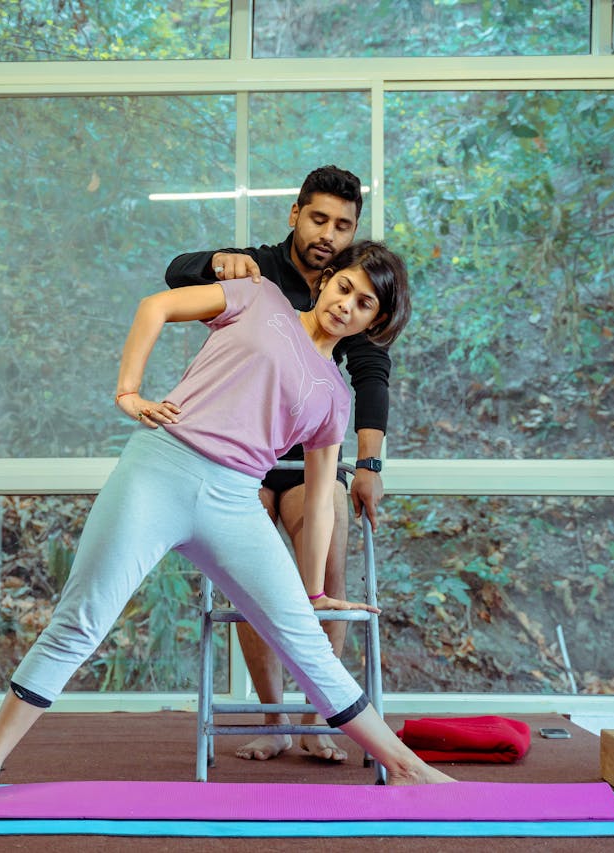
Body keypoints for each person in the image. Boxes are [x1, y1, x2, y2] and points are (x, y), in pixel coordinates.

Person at [0, 241, 452, 819]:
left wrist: (313, 590)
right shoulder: (258, 297)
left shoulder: (336, 399)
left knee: (309, 645)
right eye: (344, 288)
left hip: (234, 501)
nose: (346, 306)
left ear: (374, 322)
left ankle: (406, 765)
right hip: (159, 470)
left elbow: (318, 497)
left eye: (364, 305)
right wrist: (129, 393)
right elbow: (154, 307)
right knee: (80, 623)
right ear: (326, 280)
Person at [164, 165, 386, 763]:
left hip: (310, 459)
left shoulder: (352, 292)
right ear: (295, 215)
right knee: (249, 588)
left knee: (329, 574)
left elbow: (369, 374)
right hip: (241, 460)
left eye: (343, 225)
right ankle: (275, 717)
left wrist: (370, 461)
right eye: (318, 219)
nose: (328, 235)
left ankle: (321, 714)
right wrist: (218, 263)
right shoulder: (258, 267)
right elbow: (176, 273)